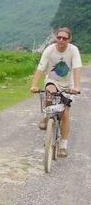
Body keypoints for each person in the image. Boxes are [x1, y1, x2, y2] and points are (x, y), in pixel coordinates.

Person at [30, 27, 82, 157]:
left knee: (65, 113)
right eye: (59, 37)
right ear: (56, 38)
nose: (61, 40)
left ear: (69, 39)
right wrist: (34, 85)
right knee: (49, 94)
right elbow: (41, 68)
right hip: (53, 81)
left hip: (67, 85)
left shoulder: (73, 50)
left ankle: (63, 144)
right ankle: (46, 116)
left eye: (64, 38)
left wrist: (76, 87)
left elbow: (76, 69)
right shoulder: (50, 49)